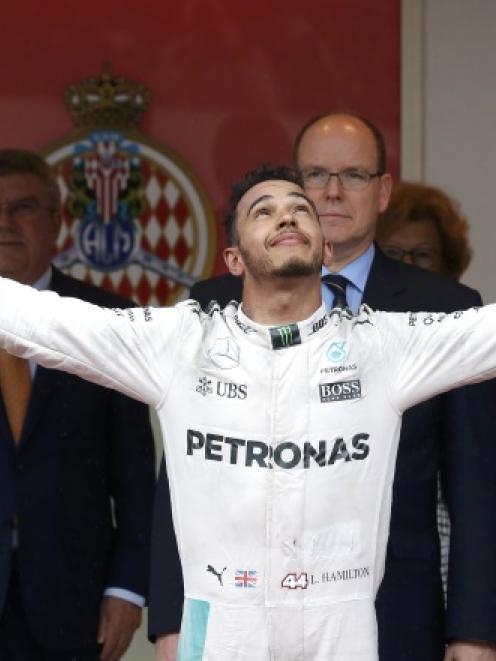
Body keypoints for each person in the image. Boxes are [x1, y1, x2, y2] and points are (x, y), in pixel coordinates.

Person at [1, 164, 496, 661]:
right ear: (233, 258)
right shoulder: (181, 343)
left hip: (339, 635)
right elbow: (35, 320)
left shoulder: (382, 347)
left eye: (301, 210)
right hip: (219, 632)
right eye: (264, 212)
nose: (286, 218)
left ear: (325, 251)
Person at [150, 115, 496, 661]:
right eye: (315, 174)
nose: (333, 192)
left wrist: (474, 632)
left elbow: (474, 485)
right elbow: (185, 477)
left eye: (353, 175)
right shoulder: (216, 299)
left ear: (383, 191)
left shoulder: (446, 307)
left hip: (392, 614)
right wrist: (171, 616)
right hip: (238, 612)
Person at [0, 149, 157, 661]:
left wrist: (127, 590)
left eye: (22, 208)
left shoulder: (106, 319)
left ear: (56, 223)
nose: (4, 224)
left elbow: (136, 479)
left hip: (75, 607)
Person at [376, 180, 475, 602]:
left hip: (444, 570)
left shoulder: (467, 336)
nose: (409, 267)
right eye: (395, 255)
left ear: (448, 266)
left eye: (423, 255)